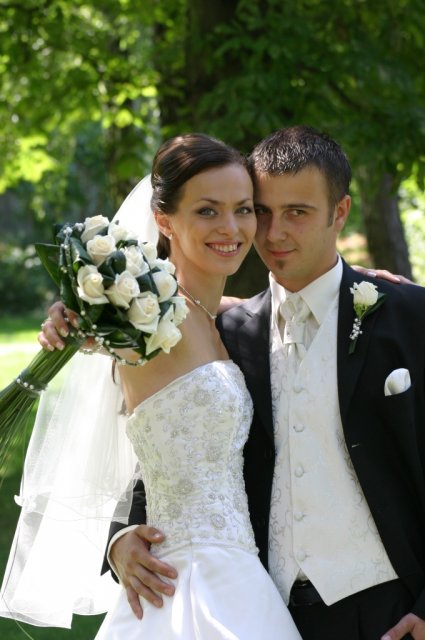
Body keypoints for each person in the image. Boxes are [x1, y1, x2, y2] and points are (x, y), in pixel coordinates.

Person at [91, 126, 425, 640]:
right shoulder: (226, 331)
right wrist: (122, 536)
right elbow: (173, 440)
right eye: (262, 211)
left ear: (339, 213)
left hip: (391, 611)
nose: (273, 234)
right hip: (264, 606)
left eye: (298, 212)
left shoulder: (407, 314)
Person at [1, 133, 302, 639]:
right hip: (182, 577)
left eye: (243, 209)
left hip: (241, 571)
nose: (231, 228)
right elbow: (98, 336)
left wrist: (366, 277)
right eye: (207, 211)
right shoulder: (140, 320)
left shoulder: (216, 316)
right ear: (163, 220)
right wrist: (74, 315)